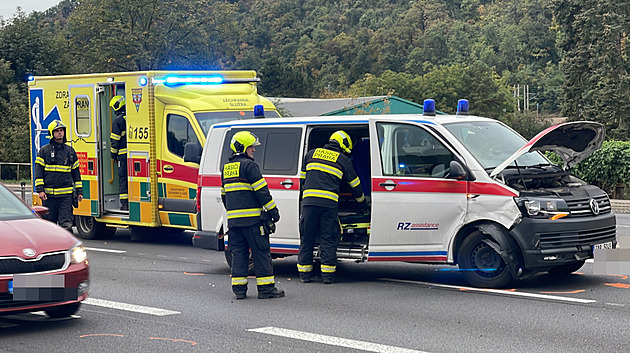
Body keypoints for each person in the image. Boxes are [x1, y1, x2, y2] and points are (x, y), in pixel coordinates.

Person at [221, 131, 284, 300]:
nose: (253, 150)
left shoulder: (226, 168)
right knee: (261, 253)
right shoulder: (250, 166)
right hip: (253, 222)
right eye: (251, 147)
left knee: (239, 254)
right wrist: (273, 212)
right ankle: (266, 290)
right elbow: (262, 192)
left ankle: (239, 290)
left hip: (234, 224)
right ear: (242, 148)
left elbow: (224, 196)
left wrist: (235, 213)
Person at [298, 130, 368, 284]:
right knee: (328, 239)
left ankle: (304, 275)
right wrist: (362, 203)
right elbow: (355, 185)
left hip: (309, 204)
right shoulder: (343, 159)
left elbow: (302, 180)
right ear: (343, 146)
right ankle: (328, 277)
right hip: (328, 205)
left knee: (307, 238)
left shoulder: (311, 154)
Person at [34, 120, 83, 231]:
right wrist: (40, 190)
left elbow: (76, 174)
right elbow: (38, 172)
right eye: (57, 131)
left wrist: (79, 191)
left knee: (66, 224)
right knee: (49, 226)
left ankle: (66, 247)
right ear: (52, 133)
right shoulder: (44, 151)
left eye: (61, 130)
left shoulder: (70, 151)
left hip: (66, 197)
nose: (60, 133)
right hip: (49, 196)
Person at [109, 95, 128, 211]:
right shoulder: (131, 118)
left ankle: (124, 204)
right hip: (132, 156)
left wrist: (113, 155)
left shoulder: (118, 122)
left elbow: (115, 142)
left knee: (123, 180)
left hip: (122, 156)